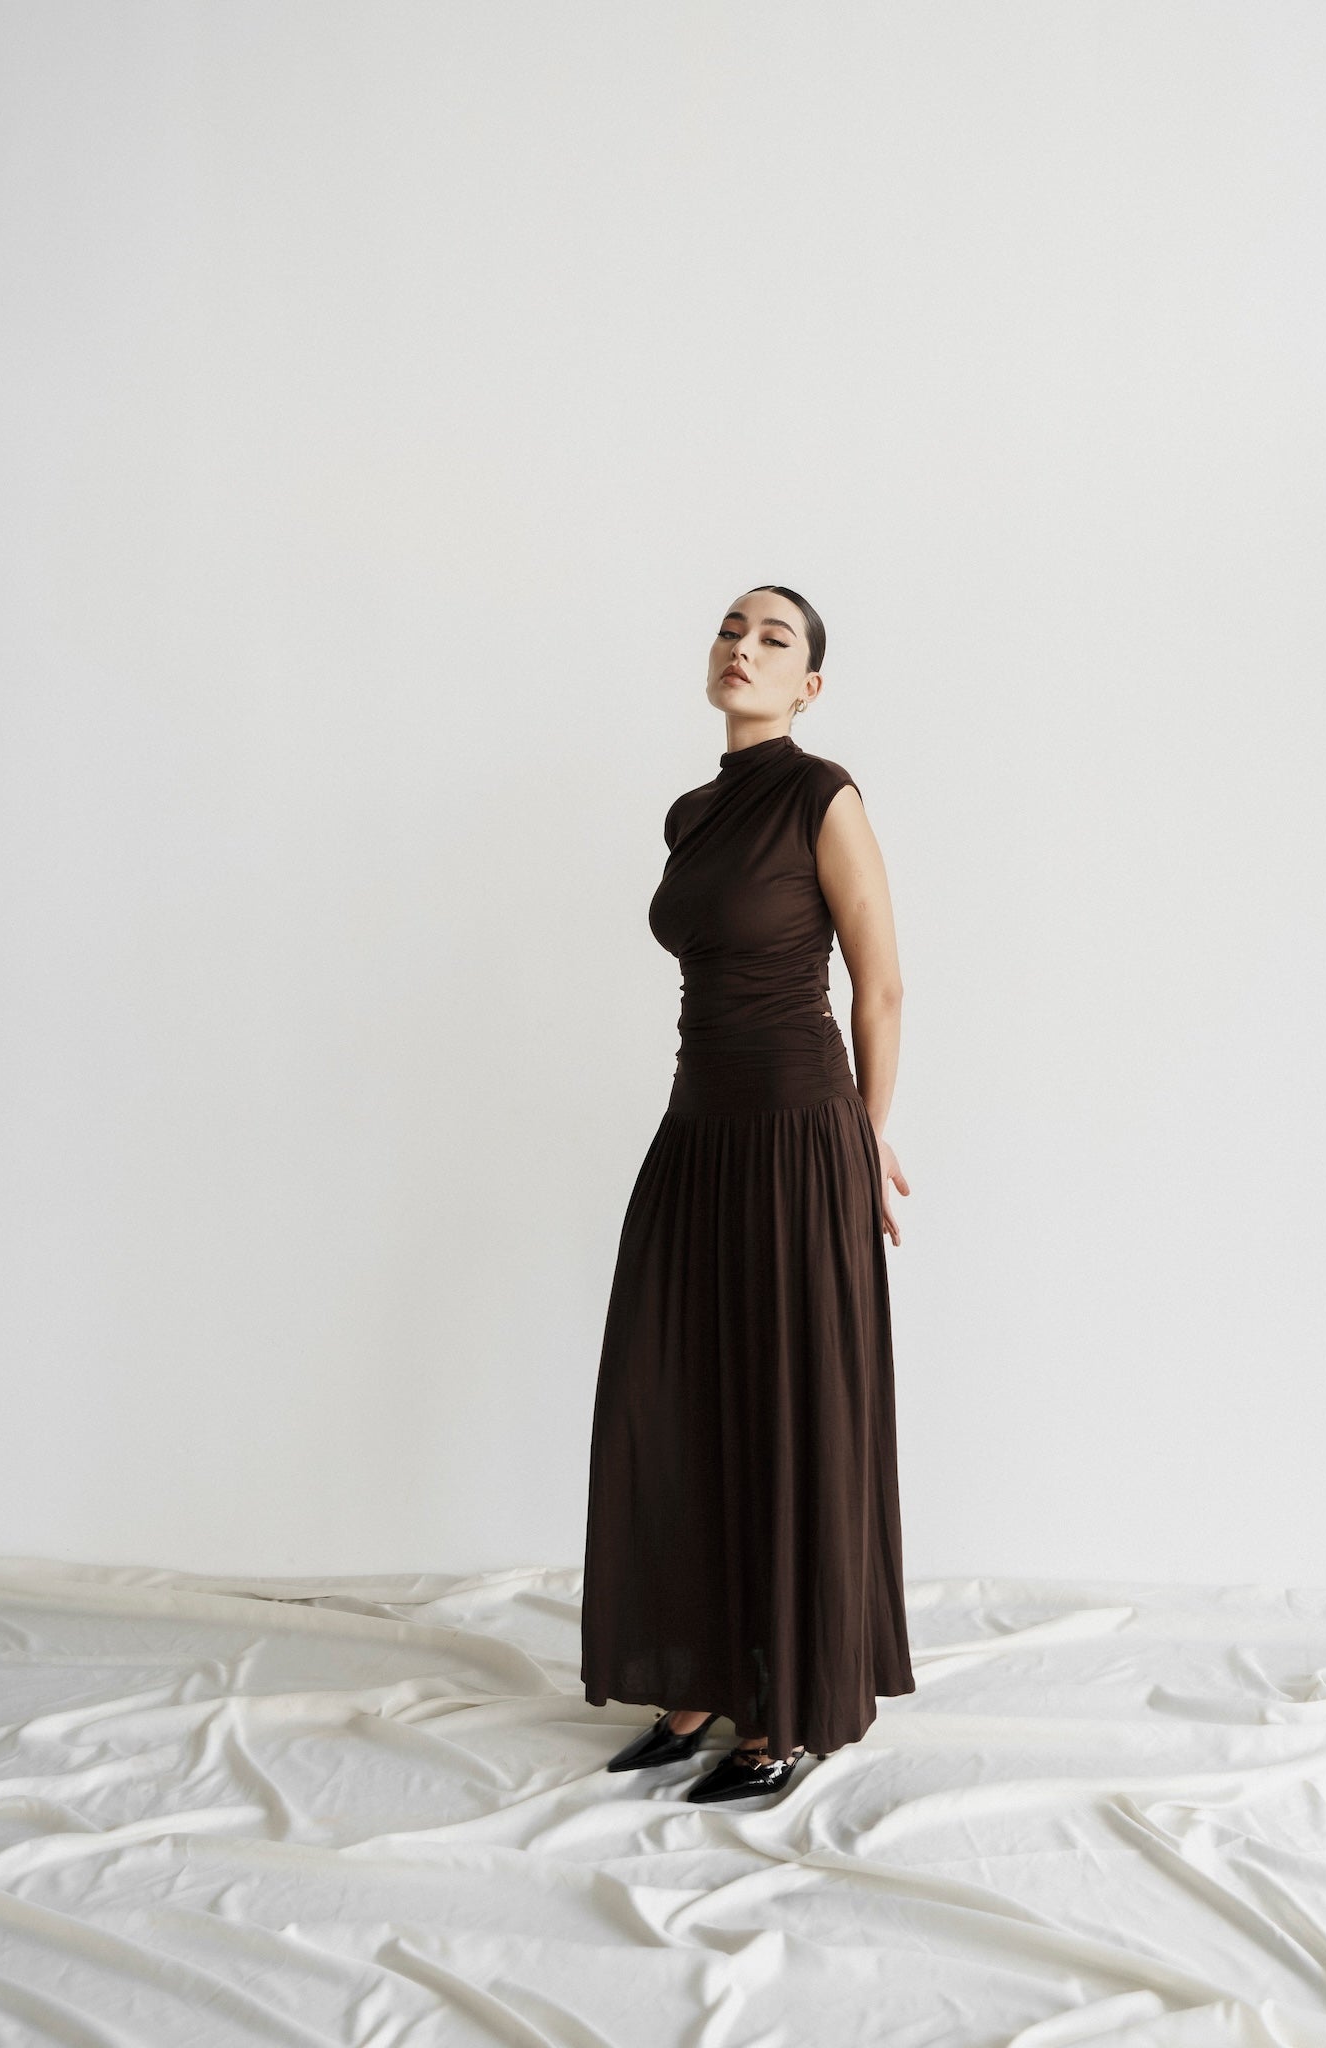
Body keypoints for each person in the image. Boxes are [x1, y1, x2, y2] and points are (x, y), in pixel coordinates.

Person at [580, 583, 915, 1803]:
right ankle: (706, 1670)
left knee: (781, 1400)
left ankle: (783, 1705)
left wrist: (862, 1140)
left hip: (794, 1126)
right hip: (697, 1125)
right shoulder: (691, 812)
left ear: (808, 685)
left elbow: (877, 986)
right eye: (730, 627)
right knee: (678, 1391)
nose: (743, 646)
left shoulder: (823, 794)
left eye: (774, 637)